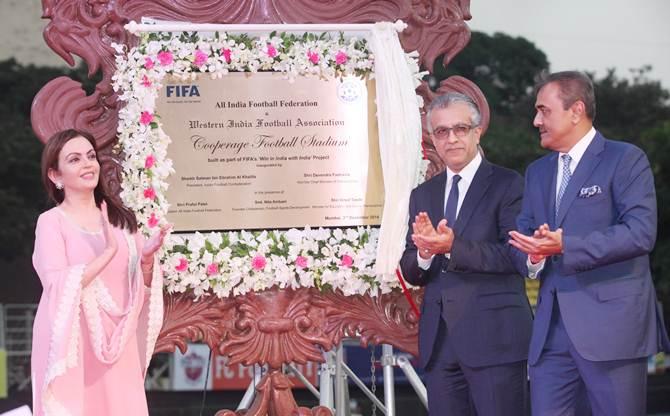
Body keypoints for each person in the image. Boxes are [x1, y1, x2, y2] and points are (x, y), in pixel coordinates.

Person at [508, 71, 670, 415]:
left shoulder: (625, 159)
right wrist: (534, 257)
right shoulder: (537, 172)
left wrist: (567, 246)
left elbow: (641, 232)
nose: (536, 120)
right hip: (550, 335)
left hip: (612, 331)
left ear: (576, 110)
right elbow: (522, 240)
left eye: (543, 110)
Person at [400, 92, 533, 415]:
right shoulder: (423, 194)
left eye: (460, 128)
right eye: (442, 131)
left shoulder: (507, 184)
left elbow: (514, 257)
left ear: (478, 131)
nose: (452, 138)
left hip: (495, 340)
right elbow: (411, 268)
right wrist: (425, 253)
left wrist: (452, 247)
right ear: (432, 138)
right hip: (440, 344)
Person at [31, 129, 168, 415]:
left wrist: (145, 261)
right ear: (55, 176)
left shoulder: (121, 220)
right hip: (72, 346)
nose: (87, 164)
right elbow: (55, 283)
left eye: (91, 156)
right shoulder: (51, 223)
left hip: (120, 344)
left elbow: (137, 292)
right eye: (75, 159)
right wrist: (106, 254)